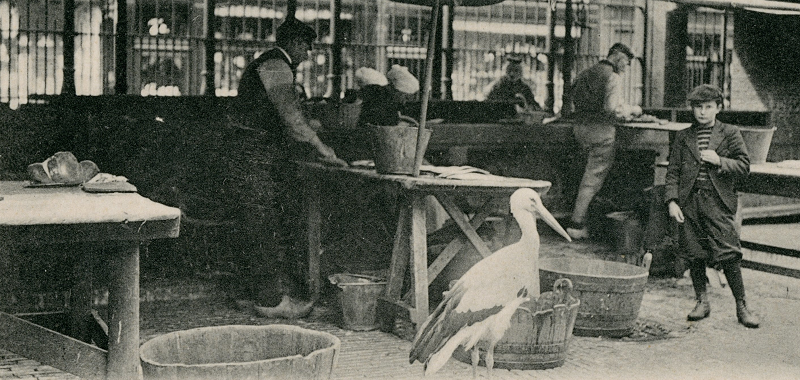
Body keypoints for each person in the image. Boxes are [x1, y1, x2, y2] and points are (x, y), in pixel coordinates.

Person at [229, 16, 347, 318]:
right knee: (262, 223)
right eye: (307, 47)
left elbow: (287, 113)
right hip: (252, 152)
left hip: (249, 150)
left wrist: (311, 126)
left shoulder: (271, 64)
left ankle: (247, 295)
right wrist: (323, 148)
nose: (308, 54)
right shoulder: (276, 64)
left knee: (250, 222)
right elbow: (291, 118)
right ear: (294, 43)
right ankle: (270, 302)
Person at [665, 84, 759, 328]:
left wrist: (720, 161)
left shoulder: (730, 133)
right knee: (694, 252)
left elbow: (744, 165)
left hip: (717, 202)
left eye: (708, 107)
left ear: (718, 108)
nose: (702, 113)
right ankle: (701, 301)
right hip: (689, 203)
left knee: (729, 253)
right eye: (698, 107)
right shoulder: (683, 136)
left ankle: (742, 306)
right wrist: (672, 201)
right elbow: (673, 172)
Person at [565, 43, 642, 240]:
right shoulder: (613, 76)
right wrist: (632, 110)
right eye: (626, 62)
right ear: (618, 58)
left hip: (579, 129)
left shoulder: (586, 72)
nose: (626, 67)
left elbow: (572, 97)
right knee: (592, 180)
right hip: (601, 133)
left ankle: (581, 219)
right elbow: (612, 108)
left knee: (585, 176)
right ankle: (576, 224)